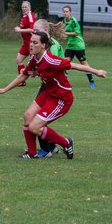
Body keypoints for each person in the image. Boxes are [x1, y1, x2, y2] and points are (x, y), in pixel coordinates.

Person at [0, 31, 106, 159]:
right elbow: (23, 75)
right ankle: (32, 153)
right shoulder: (34, 58)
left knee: (34, 127)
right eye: (31, 42)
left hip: (62, 97)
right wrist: (4, 89)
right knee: (28, 116)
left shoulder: (51, 60)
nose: (31, 45)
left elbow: (74, 65)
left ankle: (66, 143)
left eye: (35, 43)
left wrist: (96, 71)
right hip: (48, 92)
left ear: (43, 45)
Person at [27, 19, 65, 158]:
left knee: (37, 118)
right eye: (33, 30)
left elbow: (54, 67)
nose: (34, 32)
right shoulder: (44, 43)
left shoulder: (51, 46)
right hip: (48, 84)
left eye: (37, 30)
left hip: (53, 86)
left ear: (45, 31)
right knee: (37, 117)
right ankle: (52, 146)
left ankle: (46, 149)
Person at [62, 5, 95, 88]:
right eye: (64, 11)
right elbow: (63, 31)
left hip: (78, 46)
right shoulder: (64, 21)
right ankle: (64, 82)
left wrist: (65, 33)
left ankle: (91, 81)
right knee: (66, 63)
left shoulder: (74, 21)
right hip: (70, 46)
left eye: (67, 11)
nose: (65, 13)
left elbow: (76, 33)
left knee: (84, 64)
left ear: (70, 12)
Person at [14, 1, 36, 86]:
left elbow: (32, 29)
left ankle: (46, 81)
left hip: (32, 43)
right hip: (25, 43)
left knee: (35, 64)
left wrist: (20, 30)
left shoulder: (30, 16)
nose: (24, 8)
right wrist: (21, 28)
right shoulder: (24, 16)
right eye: (23, 7)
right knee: (19, 60)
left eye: (26, 7)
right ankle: (21, 81)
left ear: (29, 7)